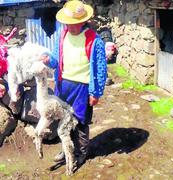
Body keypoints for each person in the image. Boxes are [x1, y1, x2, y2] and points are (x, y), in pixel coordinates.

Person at [41, 0, 107, 168]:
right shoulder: (62, 36)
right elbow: (56, 60)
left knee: (80, 122)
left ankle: (81, 153)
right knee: (63, 120)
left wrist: (96, 93)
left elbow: (100, 68)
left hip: (82, 88)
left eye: (75, 24)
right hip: (63, 86)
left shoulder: (94, 40)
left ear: (83, 21)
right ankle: (67, 149)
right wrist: (49, 60)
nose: (71, 27)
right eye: (68, 24)